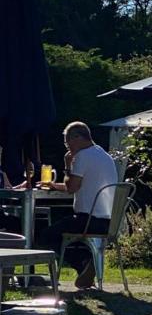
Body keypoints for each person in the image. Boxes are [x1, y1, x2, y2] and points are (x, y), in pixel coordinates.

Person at [39, 121, 118, 289]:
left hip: (88, 220)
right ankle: (88, 262)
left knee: (46, 236)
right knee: (63, 231)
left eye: (67, 142)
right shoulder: (103, 155)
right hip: (108, 221)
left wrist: (67, 165)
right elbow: (78, 185)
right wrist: (54, 186)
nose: (67, 146)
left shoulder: (82, 156)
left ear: (77, 138)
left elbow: (72, 188)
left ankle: (84, 263)